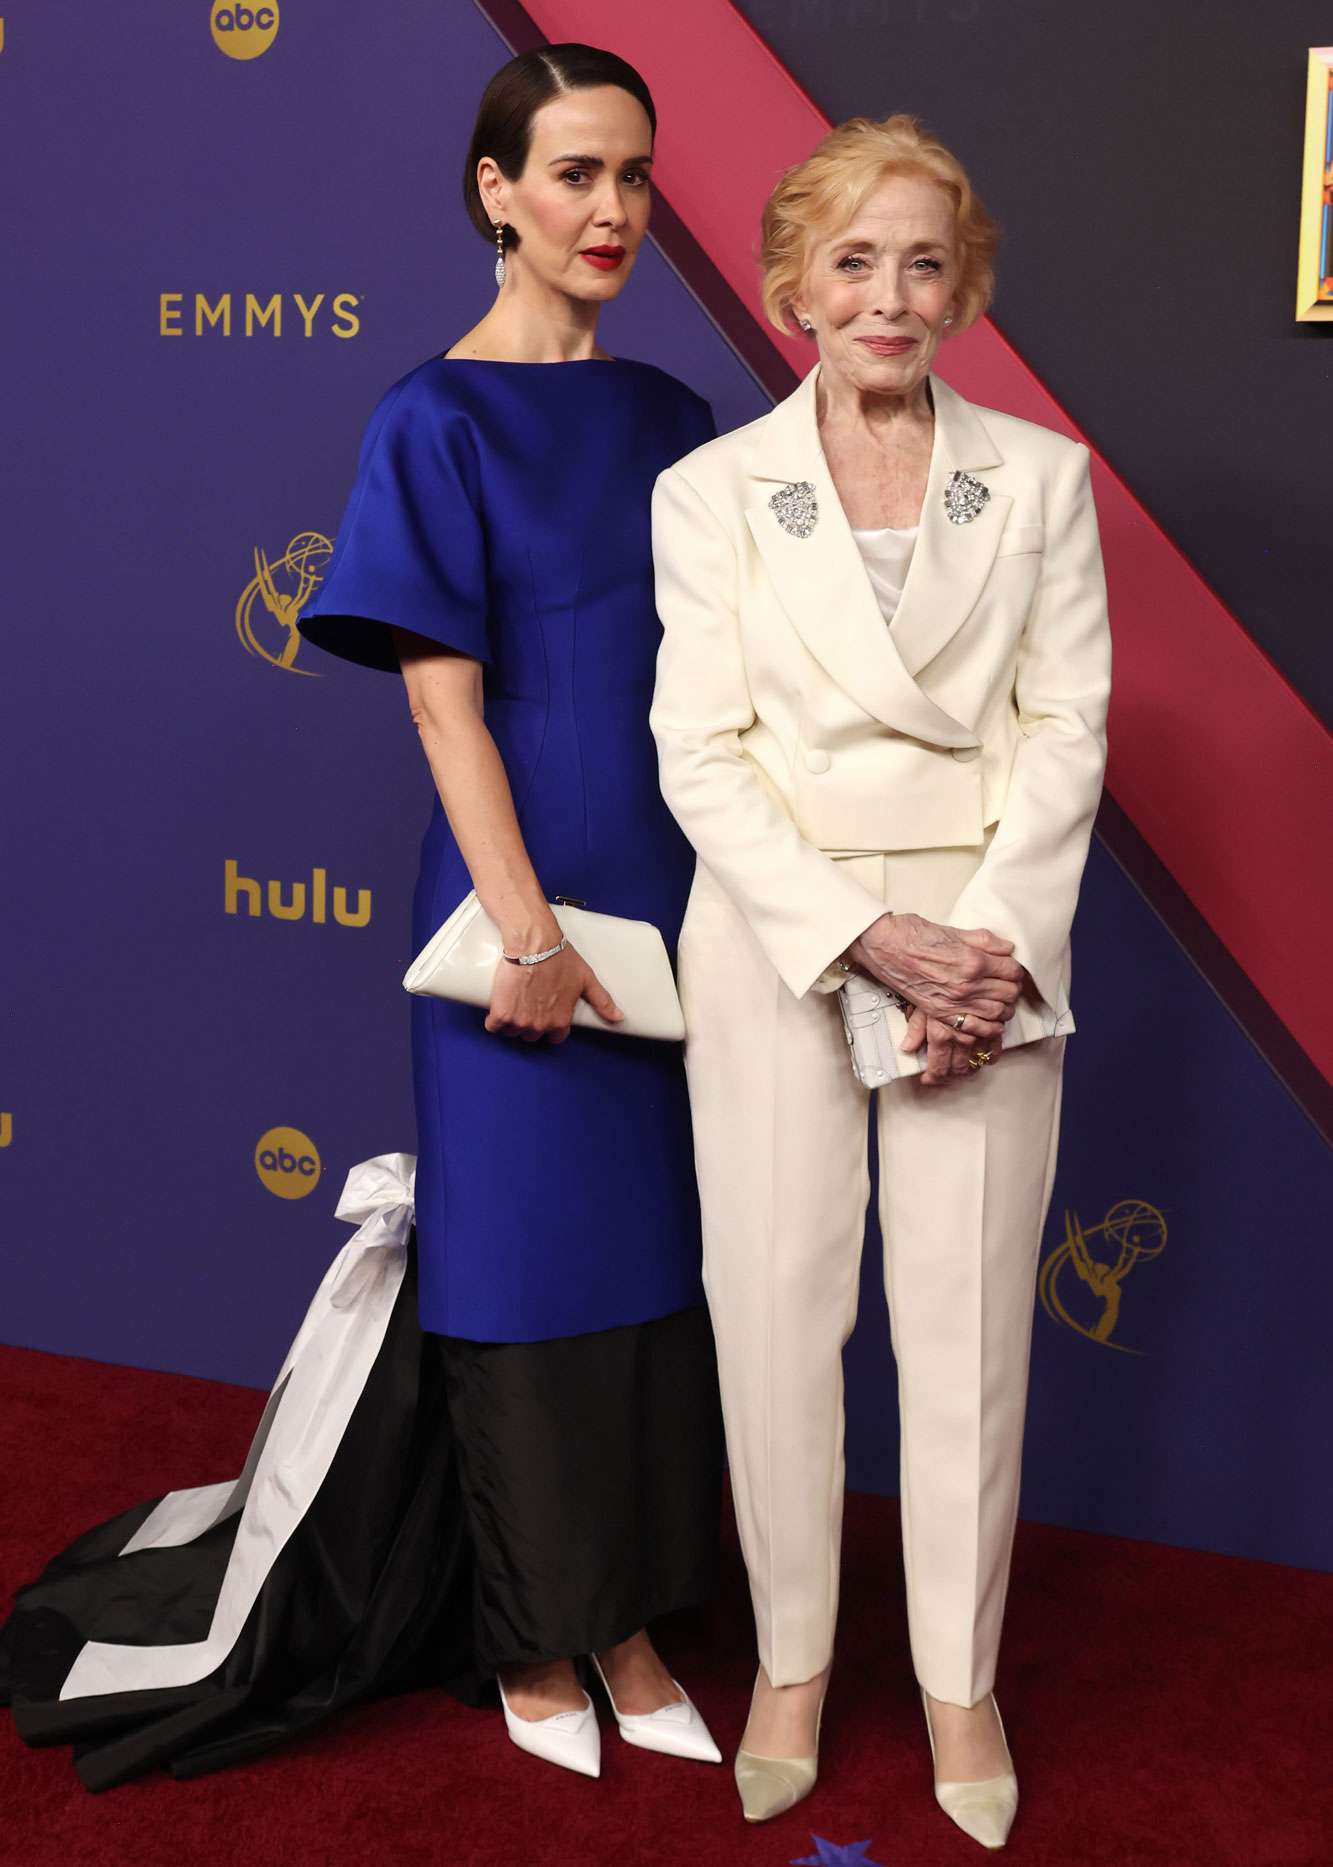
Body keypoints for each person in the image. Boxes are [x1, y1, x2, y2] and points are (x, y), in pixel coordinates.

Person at [0, 44, 723, 1790]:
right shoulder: (432, 417)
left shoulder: (679, 418)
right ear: (495, 189)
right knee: (527, 1271)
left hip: (683, 901)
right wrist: (531, 934)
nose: (611, 209)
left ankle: (630, 1622)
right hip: (511, 907)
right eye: (572, 175)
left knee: (653, 1274)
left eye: (632, 174)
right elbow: (442, 708)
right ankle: (536, 1638)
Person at [649, 113, 1111, 1846]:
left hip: (989, 965)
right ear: (790, 289)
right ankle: (784, 1661)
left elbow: (1064, 731)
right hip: (785, 944)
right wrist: (863, 937)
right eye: (853, 260)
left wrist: (975, 949)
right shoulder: (709, 493)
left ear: (964, 285)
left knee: (968, 1340)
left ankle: (955, 1684)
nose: (889, 295)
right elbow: (698, 754)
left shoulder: (1043, 480)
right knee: (775, 1322)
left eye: (924, 261)